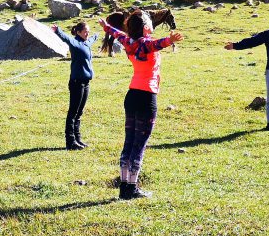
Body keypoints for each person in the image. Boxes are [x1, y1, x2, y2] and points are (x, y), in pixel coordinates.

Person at [100, 10, 184, 200]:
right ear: (146, 28)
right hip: (147, 98)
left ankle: (124, 187)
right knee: (139, 145)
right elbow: (157, 44)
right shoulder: (145, 44)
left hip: (132, 96)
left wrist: (106, 27)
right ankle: (132, 188)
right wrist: (170, 40)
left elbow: (116, 33)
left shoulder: (128, 42)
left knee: (129, 141)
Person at [52, 21, 98, 151]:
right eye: (85, 31)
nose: (87, 33)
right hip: (77, 83)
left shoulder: (86, 42)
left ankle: (78, 139)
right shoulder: (75, 43)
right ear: (78, 32)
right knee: (73, 112)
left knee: (79, 113)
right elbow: (66, 38)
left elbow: (93, 39)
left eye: (88, 31)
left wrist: (98, 33)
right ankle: (70, 141)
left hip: (86, 83)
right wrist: (58, 30)